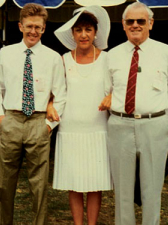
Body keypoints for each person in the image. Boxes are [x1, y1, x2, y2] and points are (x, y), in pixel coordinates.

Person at [0, 3, 66, 225]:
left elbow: (62, 95)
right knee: (3, 183)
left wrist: (48, 126)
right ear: (20, 26)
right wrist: (0, 118)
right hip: (11, 120)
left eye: (38, 27)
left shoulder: (52, 58)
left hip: (38, 122)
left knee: (39, 185)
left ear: (44, 29)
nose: (33, 31)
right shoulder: (6, 53)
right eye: (29, 26)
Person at [106, 2, 168, 225]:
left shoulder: (165, 52)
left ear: (151, 23)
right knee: (123, 192)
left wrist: (157, 120)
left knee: (152, 189)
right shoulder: (113, 55)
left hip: (154, 126)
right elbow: (106, 91)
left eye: (141, 21)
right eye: (130, 21)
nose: (136, 25)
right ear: (123, 25)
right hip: (120, 126)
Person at [47, 5, 113, 225]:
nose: (84, 34)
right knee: (74, 182)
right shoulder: (63, 59)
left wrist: (112, 95)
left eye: (88, 29)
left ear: (95, 32)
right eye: (79, 30)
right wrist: (49, 104)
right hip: (70, 130)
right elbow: (54, 89)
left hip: (98, 130)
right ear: (72, 33)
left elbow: (117, 88)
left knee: (95, 183)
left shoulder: (107, 59)